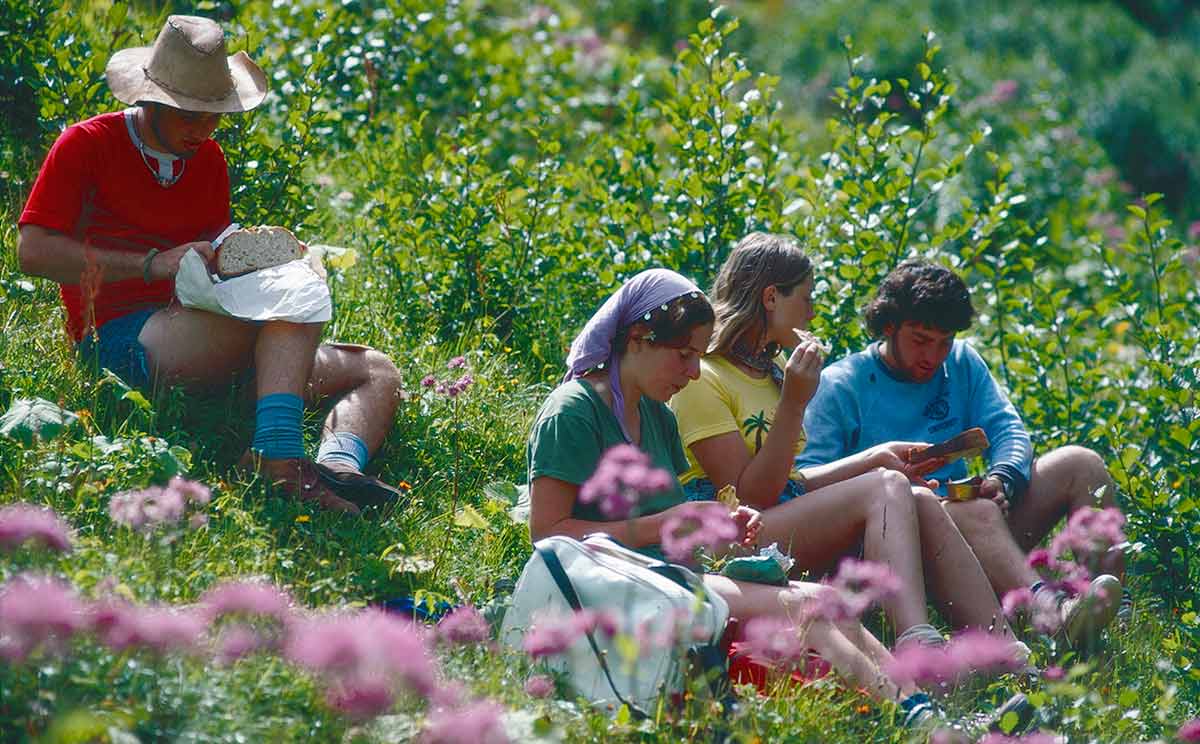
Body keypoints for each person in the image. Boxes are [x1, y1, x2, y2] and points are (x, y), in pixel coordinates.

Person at [526, 268, 956, 721]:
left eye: (698, 357)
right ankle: (913, 723)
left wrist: (719, 524)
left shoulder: (656, 417)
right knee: (807, 608)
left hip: (665, 577)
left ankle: (925, 710)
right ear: (637, 337)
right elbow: (548, 536)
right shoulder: (573, 411)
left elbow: (670, 522)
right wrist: (666, 524)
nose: (693, 372)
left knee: (831, 604)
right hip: (607, 590)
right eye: (684, 355)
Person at [16, 15, 404, 513]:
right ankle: (278, 460)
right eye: (188, 115)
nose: (203, 129)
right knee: (288, 314)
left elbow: (207, 266)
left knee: (375, 369)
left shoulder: (209, 160)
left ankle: (336, 466)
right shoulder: (86, 145)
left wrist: (259, 262)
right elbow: (32, 252)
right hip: (120, 343)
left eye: (212, 114)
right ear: (150, 99)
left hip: (209, 336)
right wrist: (152, 265)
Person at [668, 232, 1014, 648]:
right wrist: (795, 402)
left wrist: (874, 458)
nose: (812, 314)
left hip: (776, 518)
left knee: (915, 494)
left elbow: (791, 481)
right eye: (807, 298)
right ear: (771, 298)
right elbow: (751, 497)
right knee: (884, 488)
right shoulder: (703, 377)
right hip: (731, 538)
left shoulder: (773, 367)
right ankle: (916, 644)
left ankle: (1006, 652)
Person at [796, 258, 1123, 645]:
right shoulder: (841, 386)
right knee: (970, 510)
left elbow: (1008, 431)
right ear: (888, 326)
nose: (933, 357)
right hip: (903, 555)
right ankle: (1051, 616)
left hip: (981, 530)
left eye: (944, 342)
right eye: (920, 340)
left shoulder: (962, 362)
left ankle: (1114, 608)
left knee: (1080, 463)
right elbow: (808, 481)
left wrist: (1004, 480)